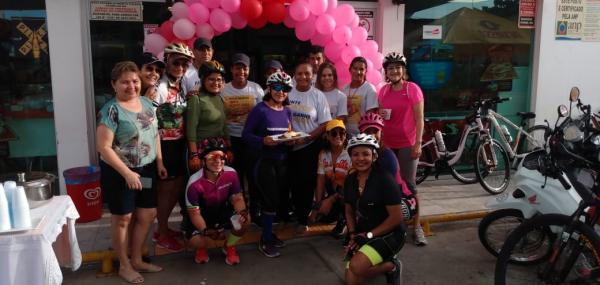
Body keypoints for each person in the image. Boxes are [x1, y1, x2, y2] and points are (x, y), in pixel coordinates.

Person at [97, 61, 167, 284]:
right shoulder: (111, 110)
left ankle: (137, 259)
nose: (131, 86)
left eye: (135, 81)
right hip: (119, 172)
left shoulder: (147, 103)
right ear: (114, 85)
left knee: (147, 214)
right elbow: (104, 147)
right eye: (125, 82)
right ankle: (124, 266)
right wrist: (127, 173)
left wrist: (160, 161)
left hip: (145, 169)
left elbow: (154, 134)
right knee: (123, 218)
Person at [242, 71, 294, 258]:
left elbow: (289, 133)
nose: (281, 92)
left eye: (286, 88)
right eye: (277, 87)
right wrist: (263, 141)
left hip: (282, 161)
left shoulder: (287, 111)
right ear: (269, 88)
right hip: (263, 162)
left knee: (277, 200)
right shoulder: (260, 110)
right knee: (269, 200)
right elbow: (246, 135)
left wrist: (290, 140)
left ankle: (269, 232)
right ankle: (265, 239)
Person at [378, 52, 427, 246]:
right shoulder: (383, 91)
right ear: (386, 72)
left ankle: (417, 227)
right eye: (390, 68)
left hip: (408, 144)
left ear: (403, 70)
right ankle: (396, 223)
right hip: (388, 145)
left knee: (409, 184)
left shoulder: (412, 89)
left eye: (398, 67)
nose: (394, 71)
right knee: (390, 185)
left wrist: (418, 143)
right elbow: (382, 118)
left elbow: (419, 118)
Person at [343, 134, 405, 285]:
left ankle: (392, 266)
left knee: (356, 267)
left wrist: (369, 235)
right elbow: (349, 210)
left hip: (390, 234)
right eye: (356, 154)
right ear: (351, 156)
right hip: (363, 233)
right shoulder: (350, 180)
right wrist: (352, 234)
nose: (360, 159)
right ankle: (375, 262)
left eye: (366, 154)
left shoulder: (385, 179)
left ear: (374, 156)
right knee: (351, 278)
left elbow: (397, 217)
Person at [153, 43, 195, 252]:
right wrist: (159, 157)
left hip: (179, 144)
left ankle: (165, 227)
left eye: (184, 64)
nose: (180, 67)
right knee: (165, 191)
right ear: (167, 61)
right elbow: (149, 122)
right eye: (176, 62)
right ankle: (161, 232)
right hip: (164, 145)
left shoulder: (181, 86)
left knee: (177, 187)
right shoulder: (159, 88)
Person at [183, 138, 250, 265]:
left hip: (222, 210)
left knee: (245, 220)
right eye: (213, 157)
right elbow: (194, 214)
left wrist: (242, 212)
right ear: (203, 160)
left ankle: (229, 246)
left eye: (221, 156)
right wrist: (205, 230)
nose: (218, 161)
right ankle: (202, 248)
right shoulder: (194, 182)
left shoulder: (231, 173)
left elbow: (238, 198)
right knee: (197, 241)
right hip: (202, 215)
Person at [359, 113, 419, 237]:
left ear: (381, 133)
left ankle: (412, 229)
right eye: (367, 131)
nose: (371, 135)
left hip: (398, 197)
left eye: (375, 131)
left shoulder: (387, 156)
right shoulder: (359, 153)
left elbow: (389, 190)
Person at [288, 62, 332, 232]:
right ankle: (292, 212)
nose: (303, 77)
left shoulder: (318, 95)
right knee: (291, 183)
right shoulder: (287, 92)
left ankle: (303, 218)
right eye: (299, 73)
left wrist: (307, 138)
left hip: (309, 146)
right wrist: (289, 137)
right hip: (289, 145)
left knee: (306, 183)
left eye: (307, 73)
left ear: (312, 75)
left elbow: (325, 123)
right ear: (295, 75)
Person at [221, 53, 264, 218]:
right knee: (235, 175)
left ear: (249, 69)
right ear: (232, 69)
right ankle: (238, 209)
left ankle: (256, 208)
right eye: (237, 67)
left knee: (253, 174)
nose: (241, 71)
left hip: (251, 139)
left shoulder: (256, 89)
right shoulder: (223, 89)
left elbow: (262, 114)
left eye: (244, 67)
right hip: (232, 139)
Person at [308, 119, 351, 238]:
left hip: (348, 192)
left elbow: (351, 184)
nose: (338, 136)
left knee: (345, 198)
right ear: (326, 136)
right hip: (334, 191)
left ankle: (344, 222)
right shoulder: (323, 154)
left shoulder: (351, 153)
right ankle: (336, 215)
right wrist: (318, 205)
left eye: (342, 133)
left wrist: (330, 200)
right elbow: (320, 179)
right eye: (334, 133)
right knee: (324, 218)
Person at [186, 60, 229, 174]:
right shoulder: (196, 99)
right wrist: (193, 155)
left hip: (219, 151)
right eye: (211, 79)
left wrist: (229, 148)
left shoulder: (220, 99)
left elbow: (224, 126)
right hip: (202, 153)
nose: (216, 83)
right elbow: (191, 130)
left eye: (219, 79)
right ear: (203, 80)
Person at [341, 57, 379, 135]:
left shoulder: (369, 89)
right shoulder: (344, 89)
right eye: (355, 68)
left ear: (365, 71)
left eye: (361, 69)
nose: (358, 72)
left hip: (361, 135)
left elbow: (370, 117)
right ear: (350, 70)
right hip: (345, 134)